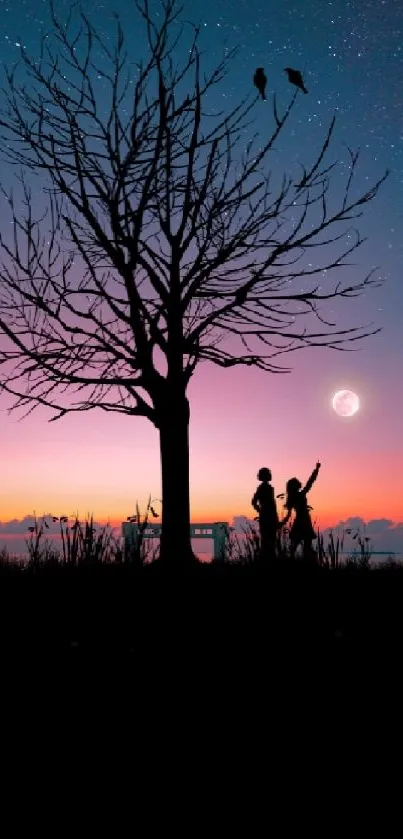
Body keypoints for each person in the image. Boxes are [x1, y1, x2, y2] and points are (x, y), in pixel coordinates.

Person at [280, 462, 321, 560]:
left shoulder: (291, 498)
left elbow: (288, 514)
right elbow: (310, 483)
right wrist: (316, 470)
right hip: (305, 520)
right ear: (296, 486)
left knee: (295, 545)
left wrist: (281, 523)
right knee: (306, 545)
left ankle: (291, 561)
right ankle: (310, 562)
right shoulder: (300, 495)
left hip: (299, 520)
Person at [251, 467, 279, 562]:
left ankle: (267, 560)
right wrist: (262, 512)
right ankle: (267, 561)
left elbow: (254, 502)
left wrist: (261, 512)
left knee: (269, 540)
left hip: (269, 516)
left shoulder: (267, 487)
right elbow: (254, 502)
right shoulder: (263, 488)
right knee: (268, 541)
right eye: (268, 474)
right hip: (268, 517)